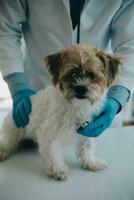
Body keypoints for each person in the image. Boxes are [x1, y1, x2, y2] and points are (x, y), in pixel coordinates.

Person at [0, 0, 134, 137]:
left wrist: (117, 96)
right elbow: (4, 28)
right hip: (39, 95)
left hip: (97, 105)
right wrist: (18, 85)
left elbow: (130, 43)